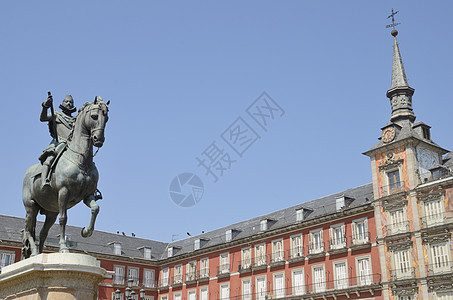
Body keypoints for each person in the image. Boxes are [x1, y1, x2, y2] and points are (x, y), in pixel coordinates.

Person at [39, 94, 77, 190]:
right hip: (59, 142)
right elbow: (42, 118)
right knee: (50, 158)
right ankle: (44, 181)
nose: (68, 103)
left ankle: (90, 189)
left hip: (73, 146)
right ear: (62, 103)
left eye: (70, 102)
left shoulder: (75, 120)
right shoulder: (56, 115)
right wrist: (45, 106)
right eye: (66, 101)